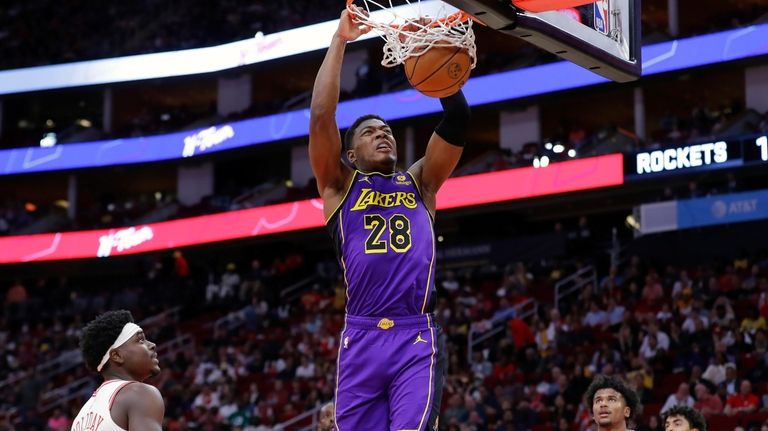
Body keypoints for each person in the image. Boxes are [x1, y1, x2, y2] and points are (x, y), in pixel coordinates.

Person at [308, 5, 471, 430]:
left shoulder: (421, 183)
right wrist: (340, 40)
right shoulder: (338, 187)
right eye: (369, 132)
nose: (383, 133)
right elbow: (322, 117)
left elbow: (458, 119)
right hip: (360, 336)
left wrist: (438, 59)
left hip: (414, 333)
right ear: (350, 153)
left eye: (388, 131)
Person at [71, 310, 164, 431]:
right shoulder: (138, 392)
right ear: (116, 356)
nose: (152, 345)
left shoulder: (79, 418)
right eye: (140, 340)